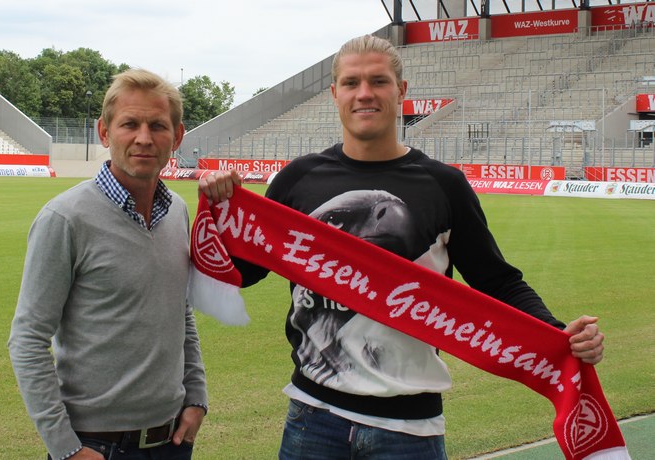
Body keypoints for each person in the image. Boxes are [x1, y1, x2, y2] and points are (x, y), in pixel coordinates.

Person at [201, 35, 605, 459]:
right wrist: (218, 213)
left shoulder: (444, 185)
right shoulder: (297, 179)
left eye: (378, 81)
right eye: (352, 82)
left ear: (401, 91)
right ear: (334, 93)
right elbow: (243, 273)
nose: (365, 94)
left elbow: (497, 281)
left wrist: (559, 334)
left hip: (409, 429)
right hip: (312, 417)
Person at [9, 68, 210, 460]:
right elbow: (28, 339)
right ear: (104, 132)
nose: (144, 138)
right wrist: (65, 447)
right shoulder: (65, 218)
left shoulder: (178, 213)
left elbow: (178, 311)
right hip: (95, 445)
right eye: (129, 124)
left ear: (178, 135)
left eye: (157, 125)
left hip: (171, 442)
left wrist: (196, 397)